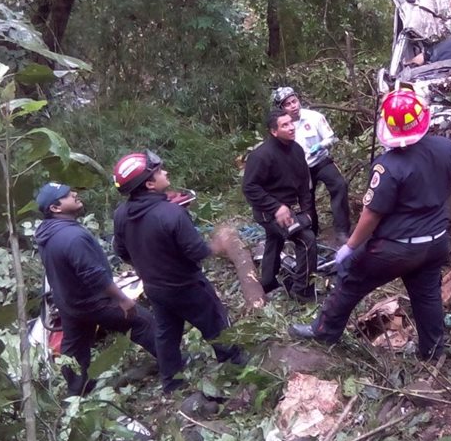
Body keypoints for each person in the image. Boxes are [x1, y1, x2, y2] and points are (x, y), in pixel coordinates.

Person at [289, 89, 451, 361]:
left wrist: (350, 247)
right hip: (435, 241)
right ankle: (432, 351)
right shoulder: (447, 148)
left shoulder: (387, 166)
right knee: (427, 295)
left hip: (395, 249)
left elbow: (371, 215)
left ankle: (324, 331)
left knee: (350, 277)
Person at [111, 151, 247, 393]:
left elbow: (121, 251)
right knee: (216, 324)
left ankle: (172, 382)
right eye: (159, 171)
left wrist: (148, 266)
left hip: (155, 288)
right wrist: (217, 245)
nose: (166, 173)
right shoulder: (171, 213)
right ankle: (235, 367)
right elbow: (196, 251)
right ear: (150, 184)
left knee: (166, 334)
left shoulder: (122, 214)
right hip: (187, 285)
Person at [34, 182, 158, 396]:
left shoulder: (46, 232)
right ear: (55, 208)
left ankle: (77, 392)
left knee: (74, 351)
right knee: (142, 322)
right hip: (93, 301)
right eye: (66, 195)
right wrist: (122, 299)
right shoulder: (72, 237)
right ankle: (174, 365)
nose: (74, 193)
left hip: (68, 302)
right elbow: (94, 275)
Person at [242, 110, 317, 299]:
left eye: (291, 123)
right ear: (274, 131)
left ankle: (267, 282)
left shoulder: (297, 150)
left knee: (274, 240)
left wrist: (308, 212)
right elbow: (250, 187)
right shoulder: (261, 156)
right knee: (306, 240)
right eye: (285, 125)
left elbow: (303, 185)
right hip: (268, 212)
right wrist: (276, 207)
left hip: (288, 208)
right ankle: (301, 291)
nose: (291, 127)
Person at [272, 87, 351, 245]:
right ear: (281, 109)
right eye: (288, 104)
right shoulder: (281, 126)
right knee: (306, 200)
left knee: (339, 186)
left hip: (321, 160)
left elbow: (331, 138)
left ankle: (342, 231)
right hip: (301, 169)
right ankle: (312, 234)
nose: (293, 106)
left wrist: (321, 146)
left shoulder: (314, 117)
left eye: (294, 101)